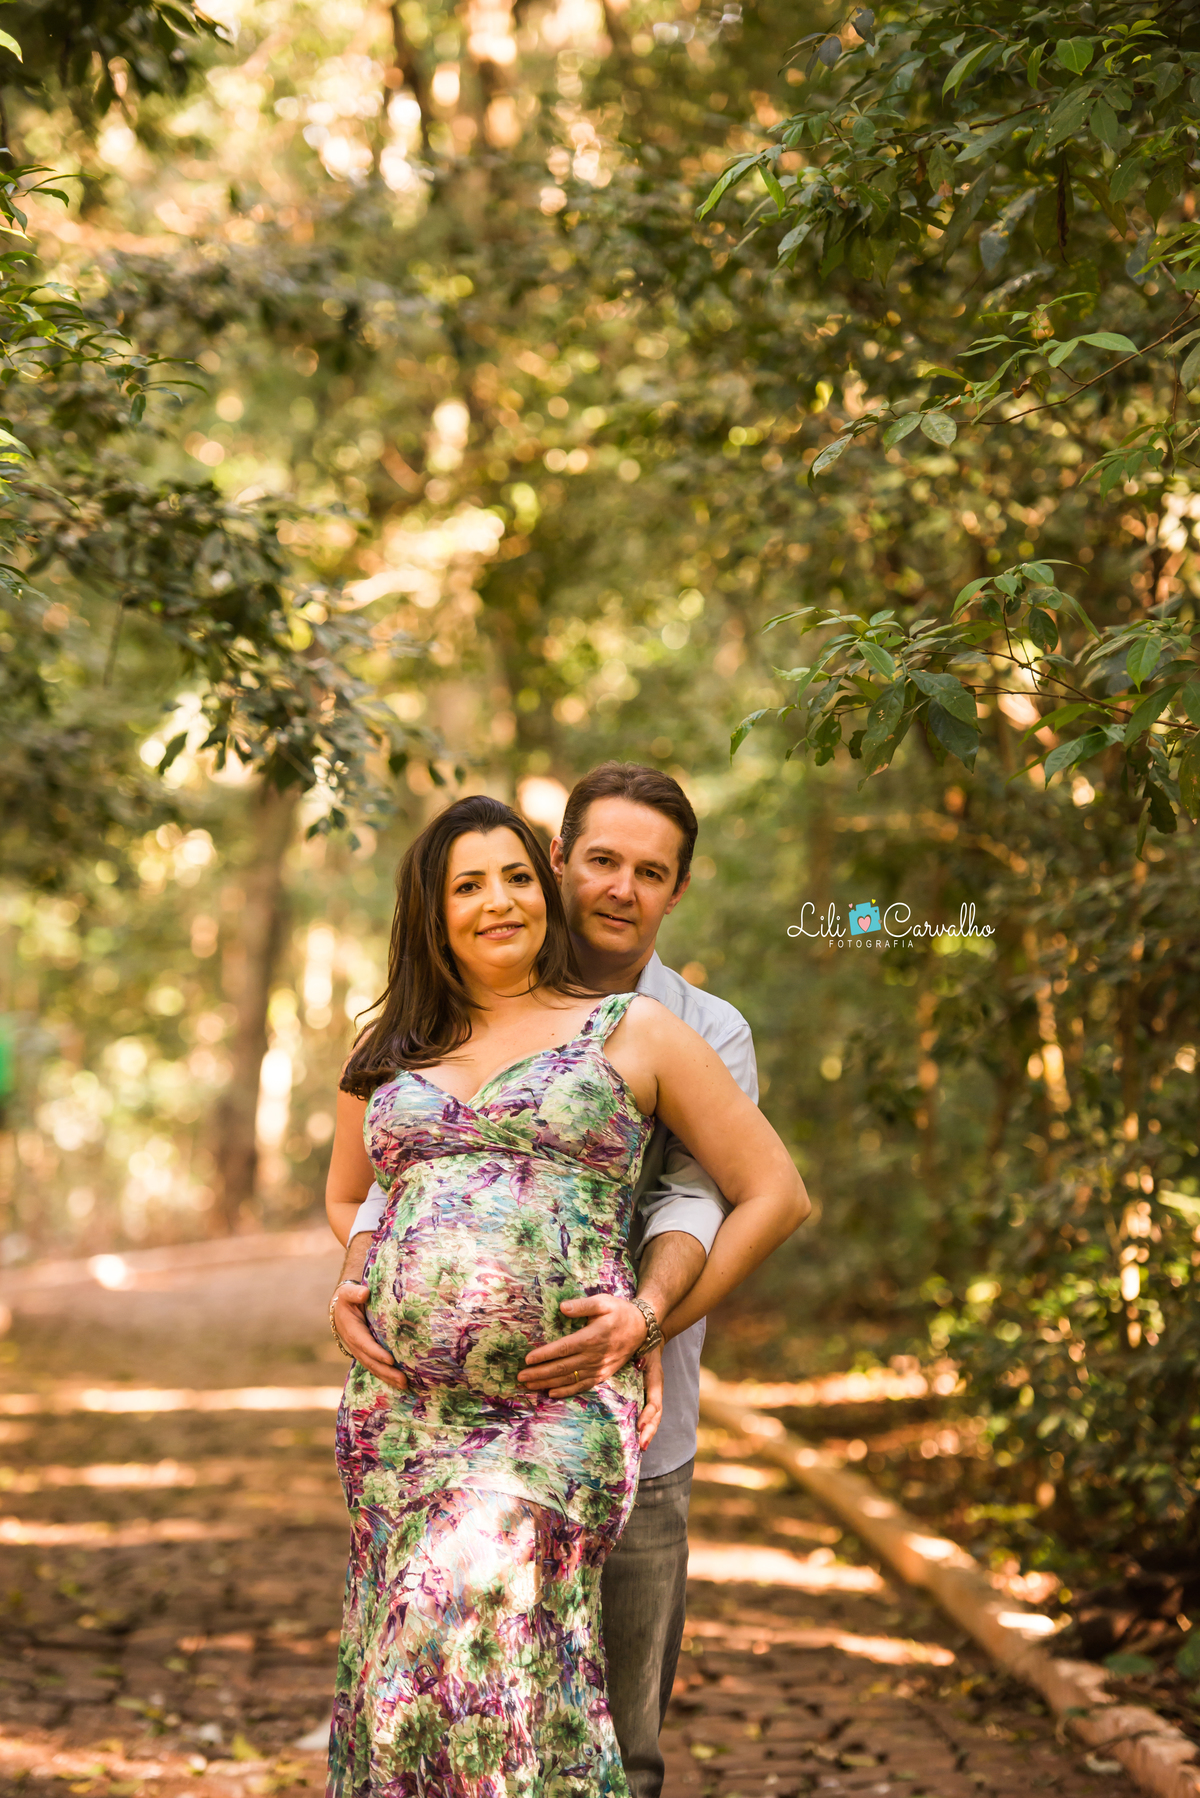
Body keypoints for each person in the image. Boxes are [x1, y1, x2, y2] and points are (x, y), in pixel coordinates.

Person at [324, 790, 807, 1797]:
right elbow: (360, 1192)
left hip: (562, 1409)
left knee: (501, 1663)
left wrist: (649, 1322)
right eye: (469, 884)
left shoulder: (658, 1029)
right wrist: (361, 1274)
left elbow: (753, 1192)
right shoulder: (395, 1045)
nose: (499, 900)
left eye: (512, 879)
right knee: (408, 1692)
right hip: (405, 1418)